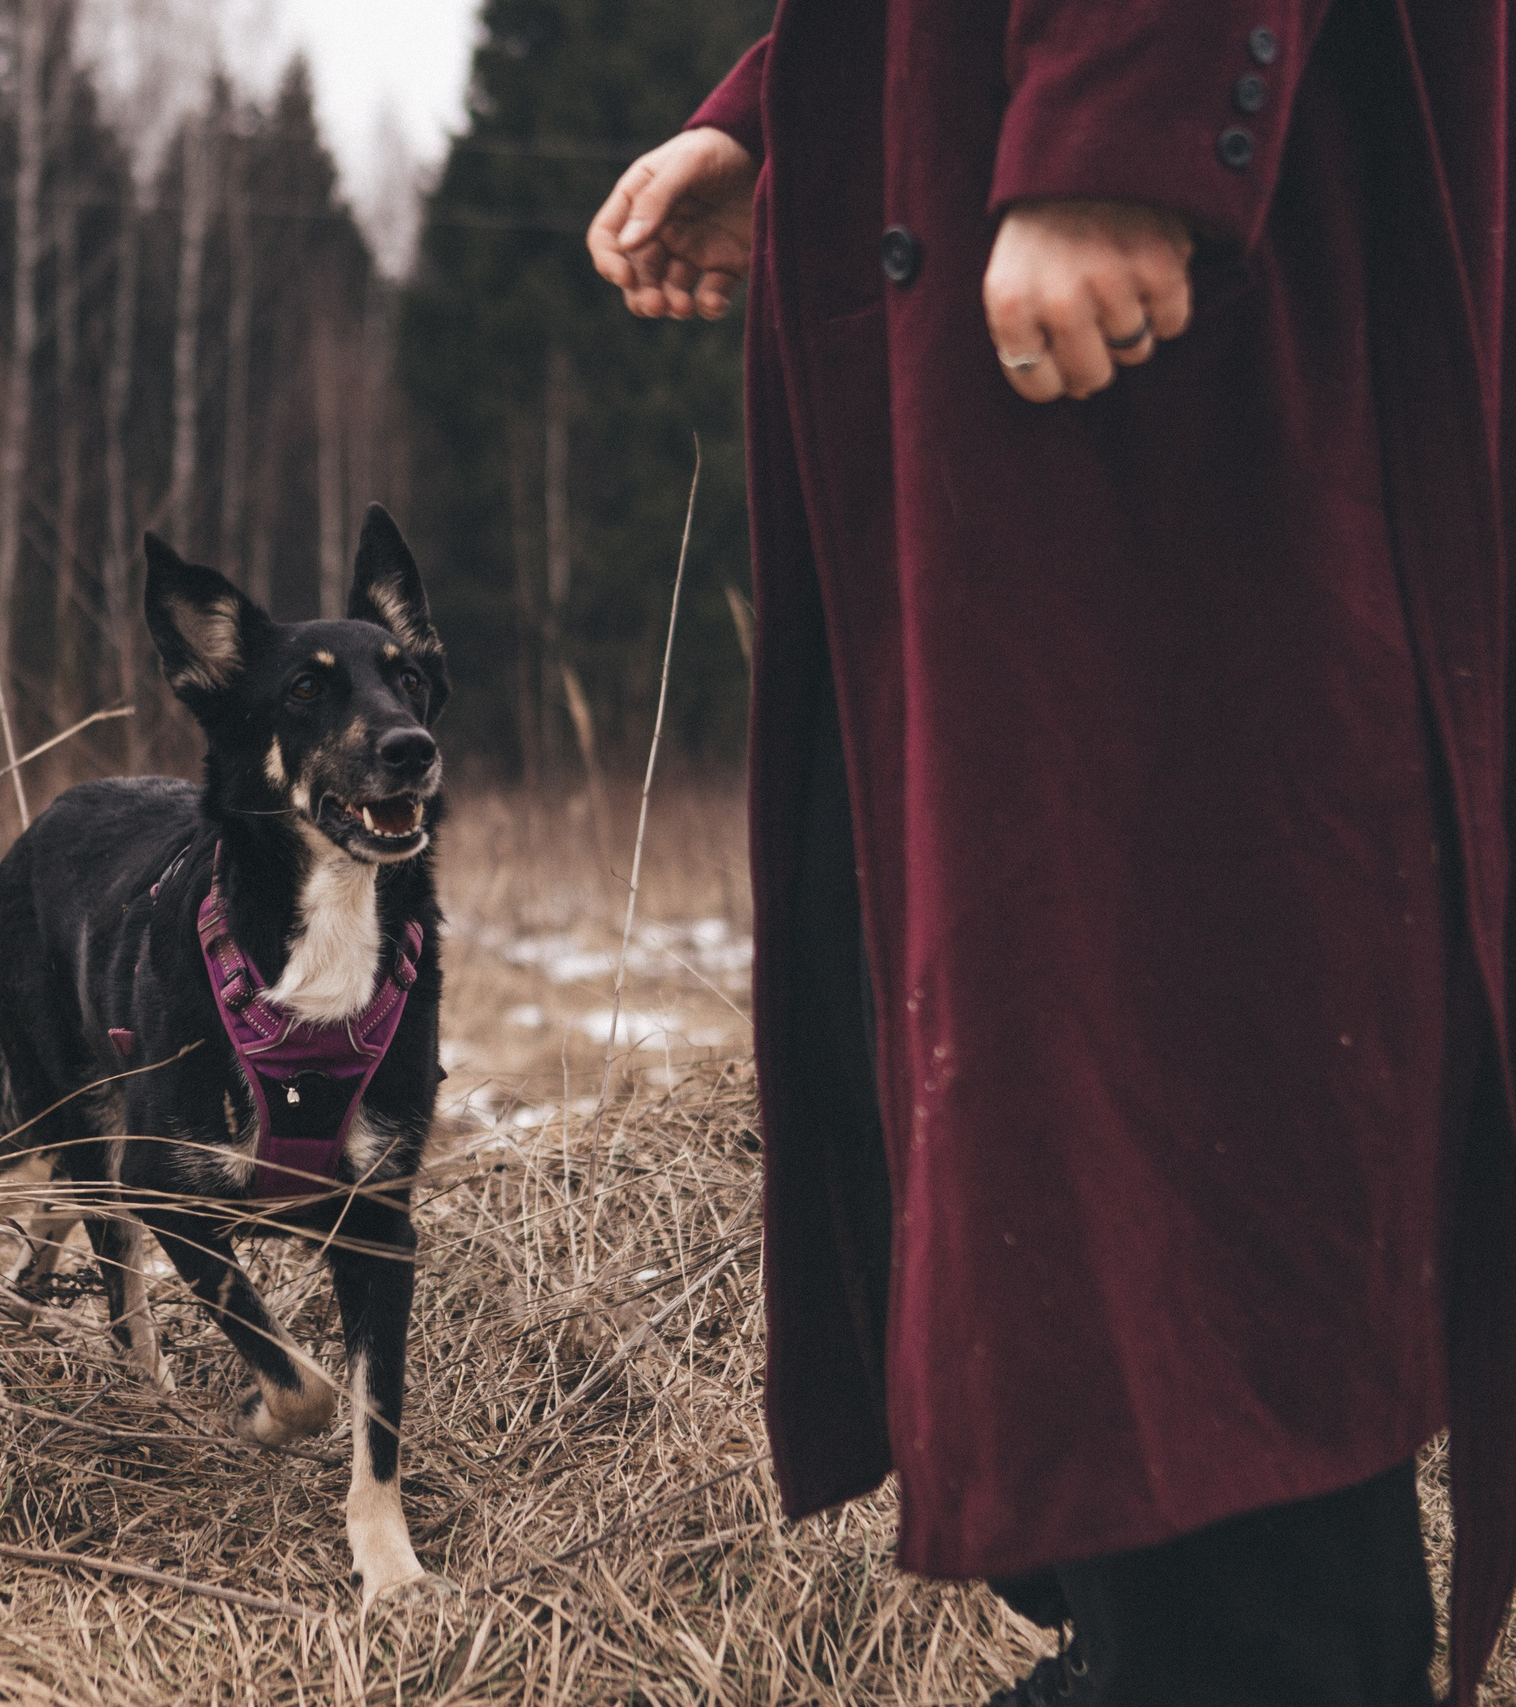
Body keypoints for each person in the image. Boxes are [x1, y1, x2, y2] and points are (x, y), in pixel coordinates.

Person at [587, 5, 1515, 1705]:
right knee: (1067, 1062)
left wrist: (1130, 128)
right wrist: (798, 99)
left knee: (1192, 1056)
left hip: (1175, 312)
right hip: (1023, 228)